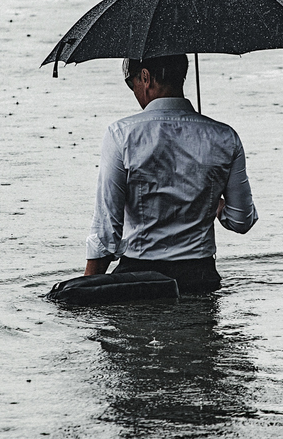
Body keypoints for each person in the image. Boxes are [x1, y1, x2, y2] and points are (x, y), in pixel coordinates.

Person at [84, 54, 258, 293]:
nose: (134, 92)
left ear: (146, 77)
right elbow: (241, 221)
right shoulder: (225, 137)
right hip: (201, 278)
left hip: (141, 279)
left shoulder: (121, 135)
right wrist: (213, 202)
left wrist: (85, 289)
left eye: (131, 83)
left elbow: (106, 230)